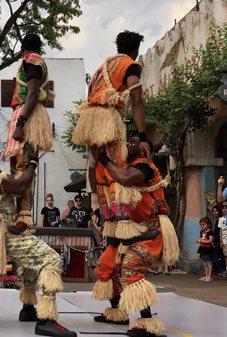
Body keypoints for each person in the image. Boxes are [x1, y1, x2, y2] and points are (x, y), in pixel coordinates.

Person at [0, 132, 76, 337]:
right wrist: (32, 163)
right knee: (52, 260)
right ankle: (46, 320)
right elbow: (19, 187)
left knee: (30, 267)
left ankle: (28, 309)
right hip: (8, 232)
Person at [90, 136, 179, 337]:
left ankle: (146, 322)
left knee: (130, 266)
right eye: (126, 141)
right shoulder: (121, 166)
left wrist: (104, 159)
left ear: (143, 148)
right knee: (106, 265)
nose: (127, 143)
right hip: (130, 231)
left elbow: (125, 178)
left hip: (152, 232)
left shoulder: (144, 166)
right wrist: (93, 160)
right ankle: (117, 312)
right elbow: (97, 183)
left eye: (133, 141)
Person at [72, 31, 151, 169]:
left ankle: (97, 190)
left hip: (89, 120)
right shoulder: (129, 65)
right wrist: (143, 138)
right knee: (115, 164)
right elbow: (137, 101)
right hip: (106, 118)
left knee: (97, 163)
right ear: (136, 50)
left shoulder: (101, 69)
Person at [3, 33, 54, 230]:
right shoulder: (35, 60)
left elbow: (32, 93)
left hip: (27, 114)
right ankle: (19, 216)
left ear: (23, 49)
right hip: (25, 113)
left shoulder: (31, 60)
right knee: (19, 167)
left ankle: (23, 218)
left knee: (23, 165)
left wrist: (21, 123)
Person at [197, 217, 215, 282]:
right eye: (201, 225)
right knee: (204, 262)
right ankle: (206, 275)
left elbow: (210, 241)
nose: (202, 226)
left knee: (209, 262)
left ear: (208, 224)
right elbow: (201, 238)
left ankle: (209, 276)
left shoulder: (211, 232)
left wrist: (202, 241)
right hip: (202, 249)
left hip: (208, 249)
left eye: (203, 225)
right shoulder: (201, 231)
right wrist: (199, 240)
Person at [217, 203, 227, 277]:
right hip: (225, 240)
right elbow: (220, 230)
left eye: (226, 208)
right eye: (223, 208)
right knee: (226, 255)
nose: (224, 210)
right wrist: (221, 241)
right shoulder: (221, 219)